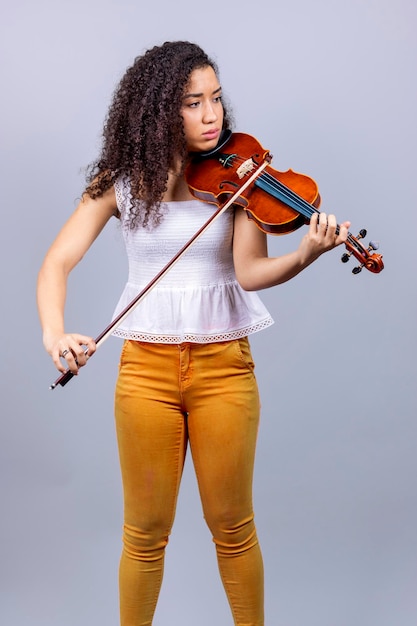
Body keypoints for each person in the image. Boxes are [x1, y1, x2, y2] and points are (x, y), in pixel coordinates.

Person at [37, 41, 350, 626]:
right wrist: (57, 336)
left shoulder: (240, 183)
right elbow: (56, 264)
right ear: (159, 111)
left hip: (224, 367)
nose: (212, 116)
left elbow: (250, 273)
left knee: (233, 529)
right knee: (144, 533)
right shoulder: (121, 182)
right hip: (145, 371)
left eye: (216, 100)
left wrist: (307, 251)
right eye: (192, 103)